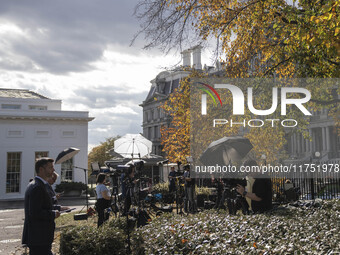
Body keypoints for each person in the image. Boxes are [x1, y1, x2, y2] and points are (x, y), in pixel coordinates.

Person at [22, 158, 61, 255]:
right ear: (41, 169)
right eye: (50, 167)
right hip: (38, 237)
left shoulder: (40, 185)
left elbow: (45, 205)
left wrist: (58, 209)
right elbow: (35, 213)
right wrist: (53, 214)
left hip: (40, 237)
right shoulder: (37, 187)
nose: (53, 170)